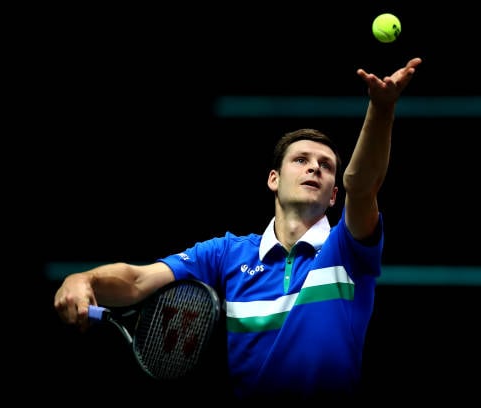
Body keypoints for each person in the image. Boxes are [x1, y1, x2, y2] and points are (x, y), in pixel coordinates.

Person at [54, 57, 422, 401]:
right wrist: (86, 280)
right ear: (273, 179)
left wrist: (382, 108)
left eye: (325, 166)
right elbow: (136, 281)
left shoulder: (348, 250)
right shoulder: (228, 253)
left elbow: (363, 185)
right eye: (301, 160)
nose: (314, 169)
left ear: (332, 196)